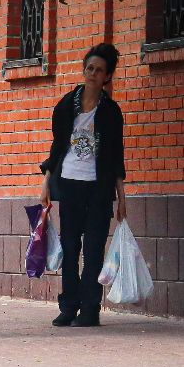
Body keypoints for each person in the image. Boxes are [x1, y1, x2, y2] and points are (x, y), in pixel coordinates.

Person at [40, 42, 127, 328]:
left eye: (99, 70)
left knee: (92, 250)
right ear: (84, 70)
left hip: (98, 189)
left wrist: (121, 197)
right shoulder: (66, 106)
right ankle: (68, 306)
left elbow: (115, 156)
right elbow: (56, 149)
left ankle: (90, 310)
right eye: (89, 68)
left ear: (107, 77)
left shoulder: (111, 113)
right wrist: (46, 186)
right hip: (70, 185)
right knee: (69, 245)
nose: (92, 73)